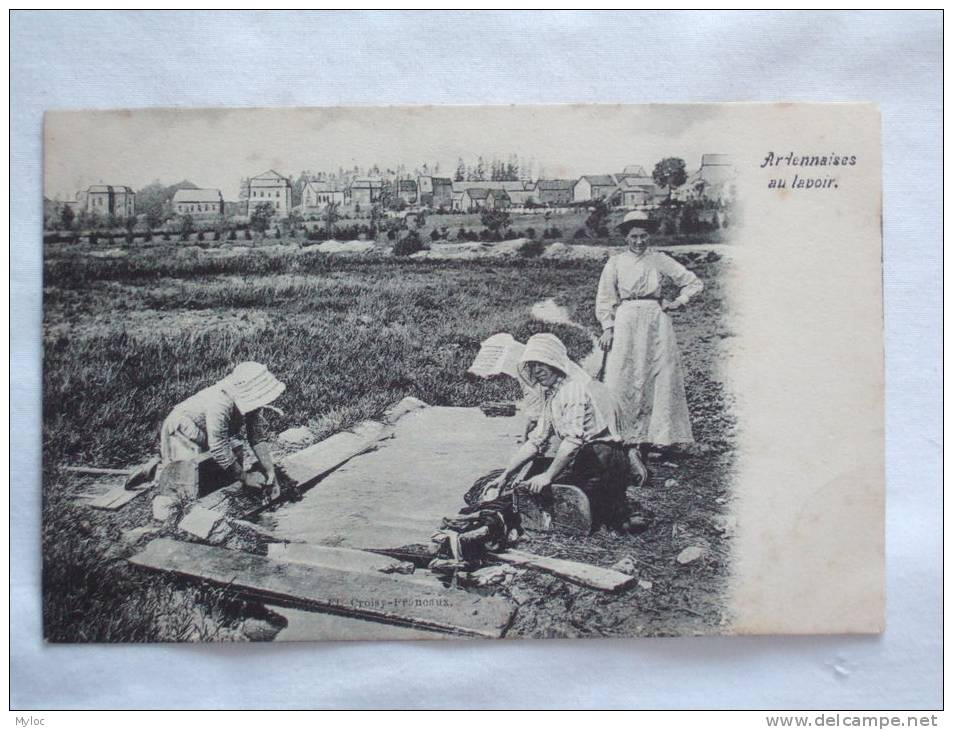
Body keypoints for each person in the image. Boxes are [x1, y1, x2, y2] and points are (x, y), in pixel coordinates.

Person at [483, 333, 639, 532]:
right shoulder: (552, 397)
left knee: (545, 491)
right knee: (530, 483)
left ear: (555, 364)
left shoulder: (572, 390)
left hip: (603, 460)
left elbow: (573, 442)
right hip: (588, 459)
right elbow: (536, 440)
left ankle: (614, 513)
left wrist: (547, 476)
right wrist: (505, 475)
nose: (537, 371)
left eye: (542, 364)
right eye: (533, 365)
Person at [596, 211, 703, 465]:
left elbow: (693, 283)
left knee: (659, 374)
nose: (639, 241)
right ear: (626, 238)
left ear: (649, 236)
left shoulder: (659, 260)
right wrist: (607, 327)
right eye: (634, 236)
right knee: (621, 374)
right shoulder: (615, 263)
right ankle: (622, 437)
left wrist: (678, 302)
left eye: (644, 236)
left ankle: (657, 438)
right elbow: (604, 299)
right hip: (625, 320)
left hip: (656, 320)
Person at [159, 361, 285, 501]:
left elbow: (256, 436)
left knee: (216, 477)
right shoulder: (220, 403)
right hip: (182, 430)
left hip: (206, 433)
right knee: (185, 485)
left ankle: (156, 463)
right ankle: (157, 470)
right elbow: (218, 447)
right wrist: (245, 477)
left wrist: (270, 471)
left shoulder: (250, 402)